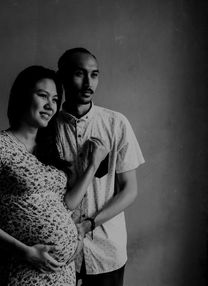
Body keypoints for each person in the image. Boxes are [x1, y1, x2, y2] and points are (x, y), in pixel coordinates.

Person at [0, 65, 108, 285]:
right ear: (22, 96)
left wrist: (93, 165)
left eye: (55, 99)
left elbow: (66, 204)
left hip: (62, 273)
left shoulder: (49, 149)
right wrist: (25, 252)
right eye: (43, 96)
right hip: (23, 270)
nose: (50, 105)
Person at [55, 48, 145, 286]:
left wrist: (89, 224)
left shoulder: (116, 124)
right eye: (79, 74)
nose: (88, 82)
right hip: (58, 251)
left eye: (94, 75)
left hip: (107, 252)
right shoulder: (47, 129)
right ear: (62, 77)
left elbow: (129, 190)